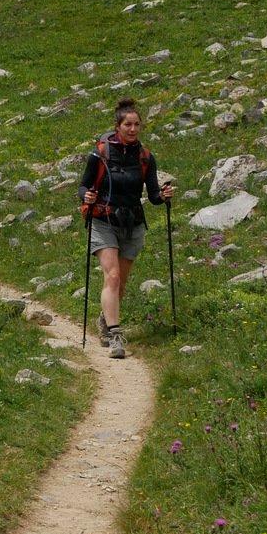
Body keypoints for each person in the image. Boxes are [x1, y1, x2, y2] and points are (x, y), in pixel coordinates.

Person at [78, 99, 173, 359]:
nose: (133, 129)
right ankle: (116, 336)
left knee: (120, 286)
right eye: (127, 124)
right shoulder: (100, 154)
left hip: (132, 223)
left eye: (136, 124)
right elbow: (83, 186)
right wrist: (86, 196)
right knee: (113, 277)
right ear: (117, 126)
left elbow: (152, 195)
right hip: (103, 221)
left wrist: (163, 196)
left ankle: (105, 320)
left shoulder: (145, 157)